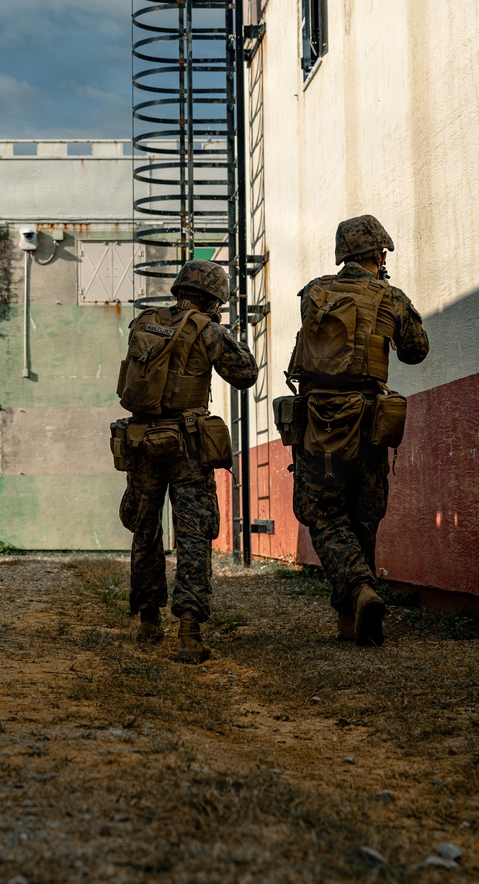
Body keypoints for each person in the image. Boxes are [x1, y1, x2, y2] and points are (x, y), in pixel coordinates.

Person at [287, 215, 429, 646]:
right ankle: (357, 613)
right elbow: (416, 352)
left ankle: (356, 597)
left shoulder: (313, 292)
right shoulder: (390, 295)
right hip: (368, 418)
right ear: (379, 254)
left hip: (317, 422)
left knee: (324, 515)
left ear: (342, 253)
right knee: (363, 516)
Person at [118, 260, 258, 664]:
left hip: (143, 441)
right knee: (193, 537)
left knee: (145, 530)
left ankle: (148, 621)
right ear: (215, 297)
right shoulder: (208, 329)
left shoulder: (144, 323)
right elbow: (245, 374)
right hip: (187, 444)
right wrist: (234, 337)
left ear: (178, 290)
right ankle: (189, 633)